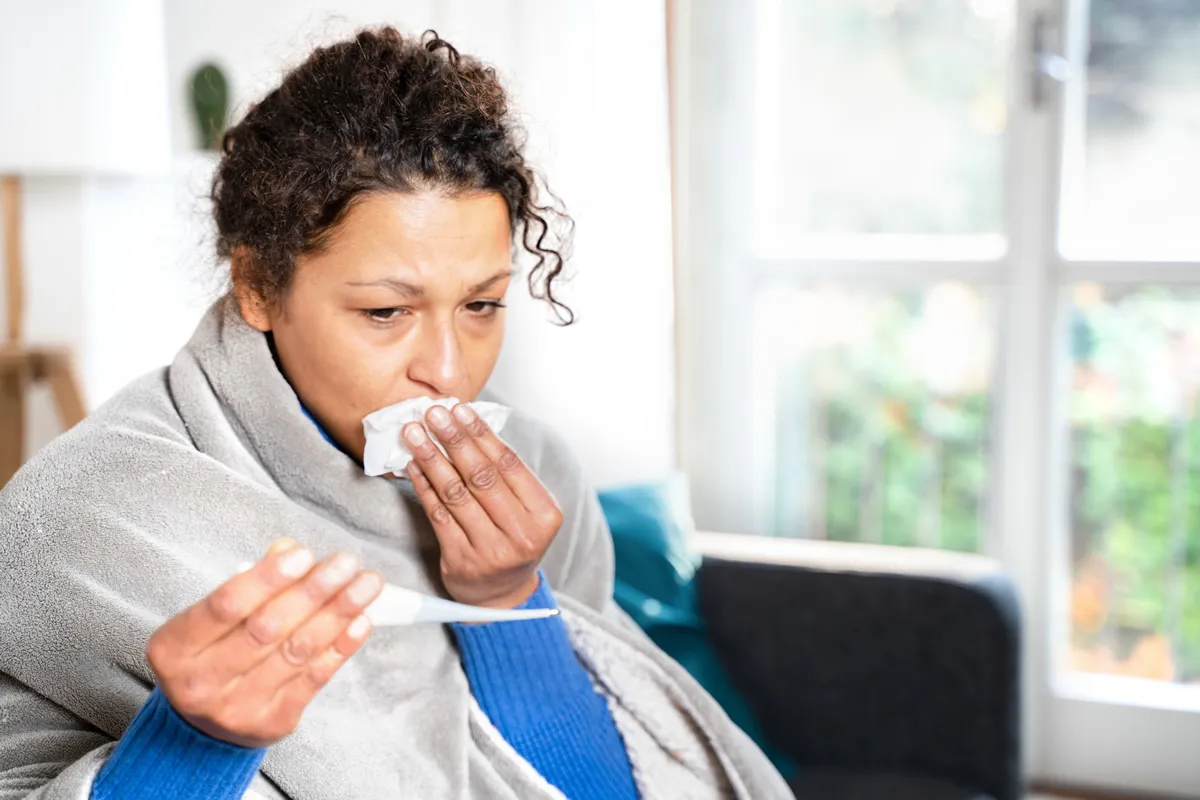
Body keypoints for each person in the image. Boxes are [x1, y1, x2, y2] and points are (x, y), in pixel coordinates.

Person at [0, 28, 791, 800]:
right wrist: (191, 749)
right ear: (258, 288)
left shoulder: (541, 476)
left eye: (482, 304)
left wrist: (512, 607)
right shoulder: (81, 518)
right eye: (386, 312)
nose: (449, 372)